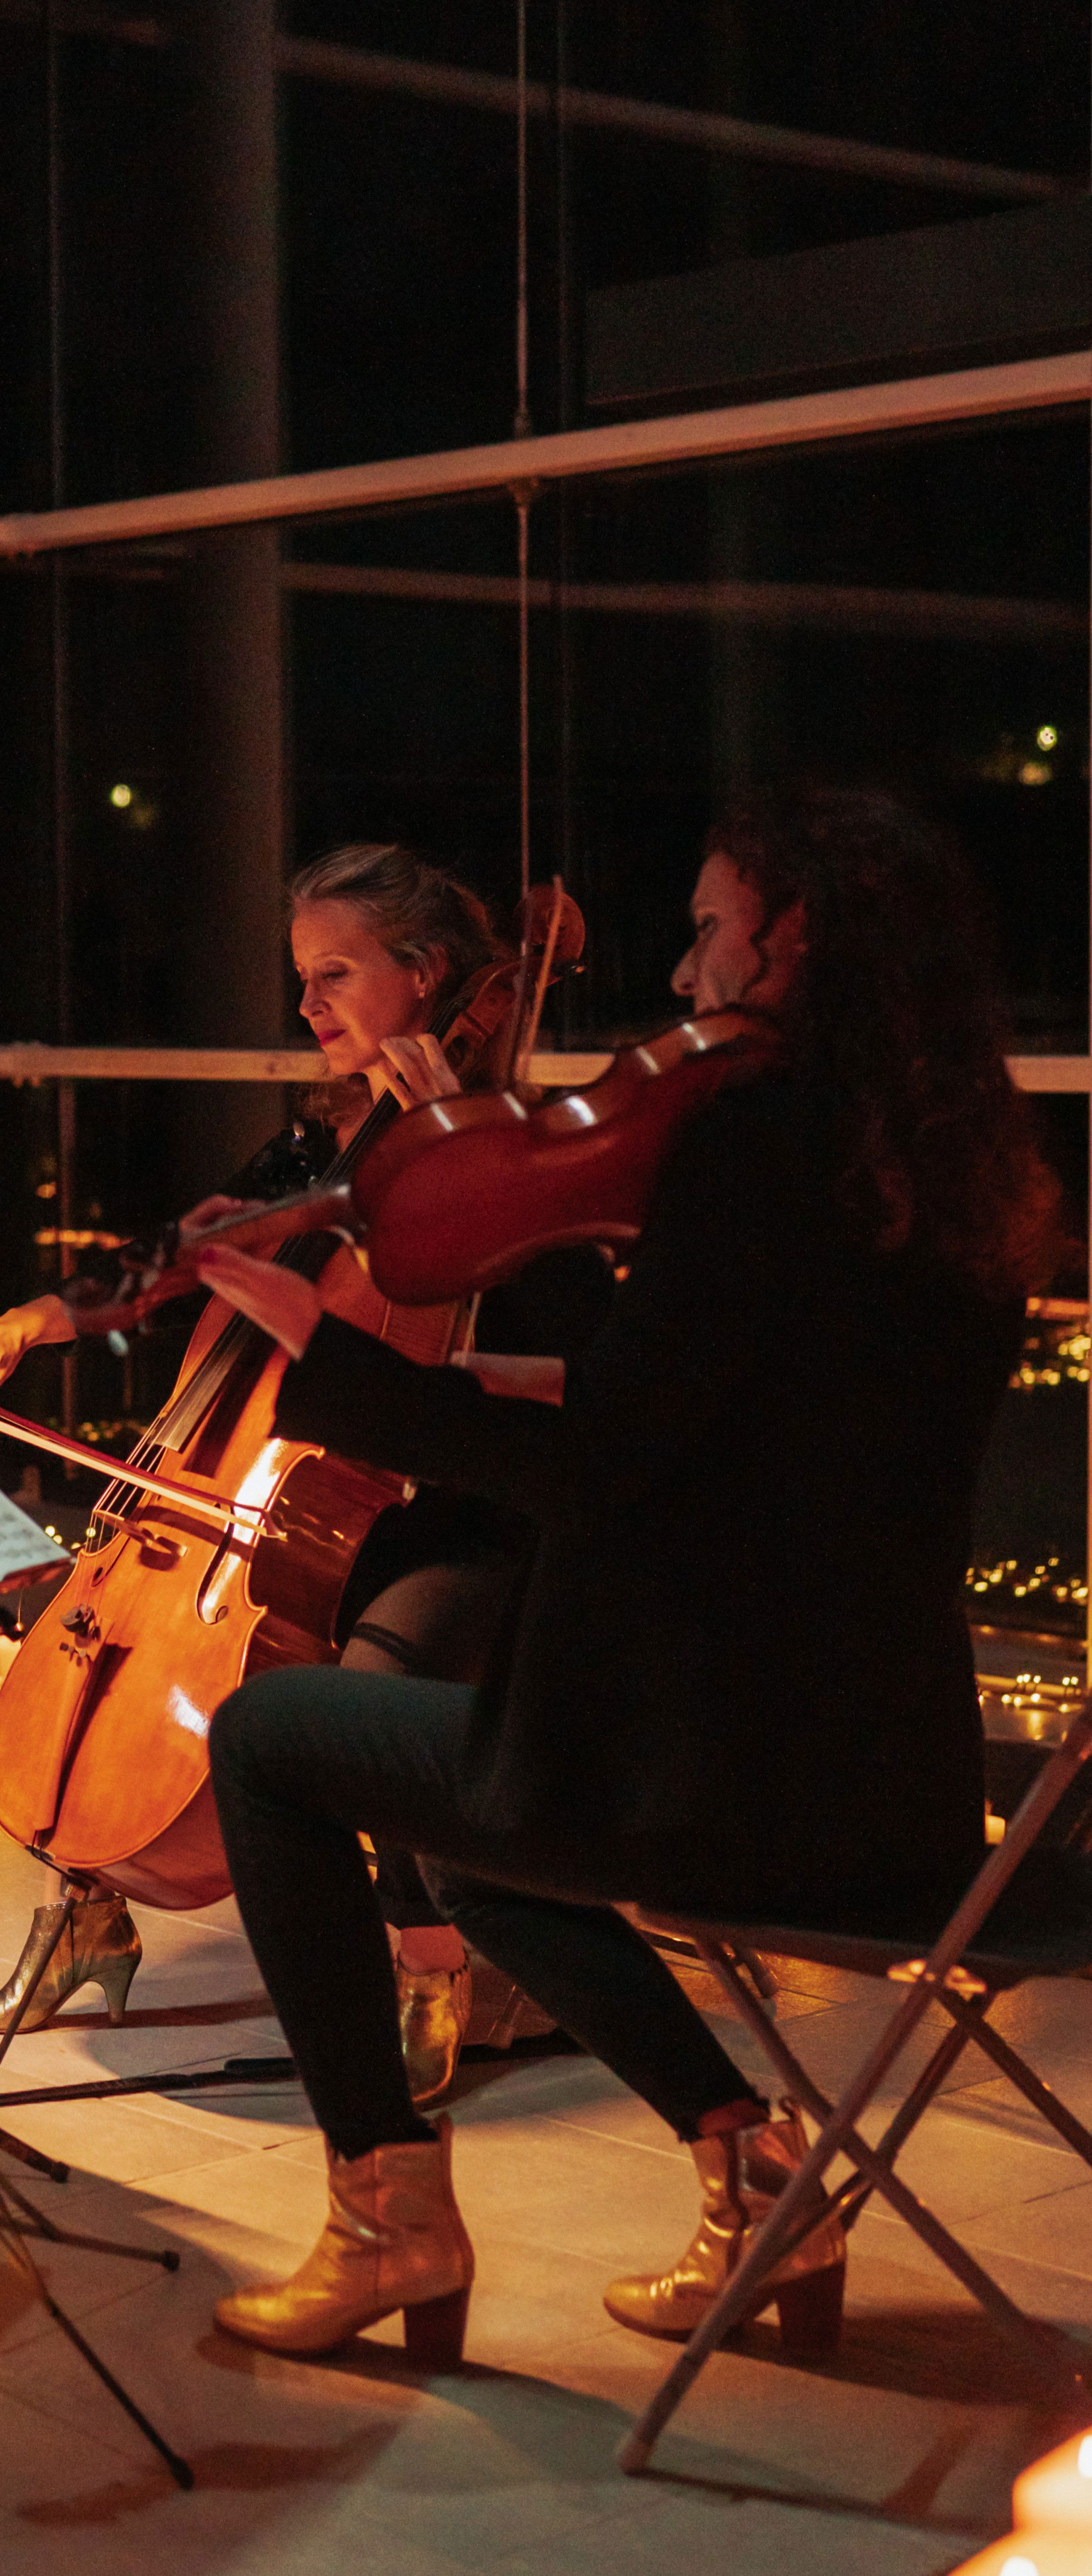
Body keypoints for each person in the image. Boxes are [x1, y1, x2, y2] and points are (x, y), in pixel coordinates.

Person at [193, 787, 1057, 2365]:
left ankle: (386, 2219)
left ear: (788, 937)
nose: (677, 974)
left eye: (706, 926)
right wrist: (532, 1221)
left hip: (739, 1786)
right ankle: (751, 2166)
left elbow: (599, 1461)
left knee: (268, 1743)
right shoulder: (946, 1168)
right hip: (898, 1780)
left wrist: (328, 1358)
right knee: (472, 1836)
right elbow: (686, 1413)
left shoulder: (754, 1148)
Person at [0, 845, 606, 2094]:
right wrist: (25, 1321)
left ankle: (430, 1963)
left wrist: (456, 1155)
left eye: (331, 973)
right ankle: (86, 1906)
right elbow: (179, 1254)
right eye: (300, 978)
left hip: (460, 1519)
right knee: (100, 1624)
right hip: (280, 1506)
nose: (306, 1008)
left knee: (371, 1690)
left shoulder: (521, 1151)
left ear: (430, 973)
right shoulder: (320, 1146)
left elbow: (570, 1338)